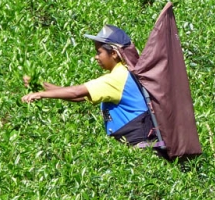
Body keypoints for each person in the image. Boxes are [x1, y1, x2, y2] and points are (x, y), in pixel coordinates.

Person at [21, 25, 155, 146]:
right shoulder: (121, 73)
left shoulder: (118, 77)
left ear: (114, 54)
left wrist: (41, 94)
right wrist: (39, 86)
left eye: (99, 52)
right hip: (132, 142)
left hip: (138, 144)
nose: (96, 57)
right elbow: (79, 96)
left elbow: (76, 92)